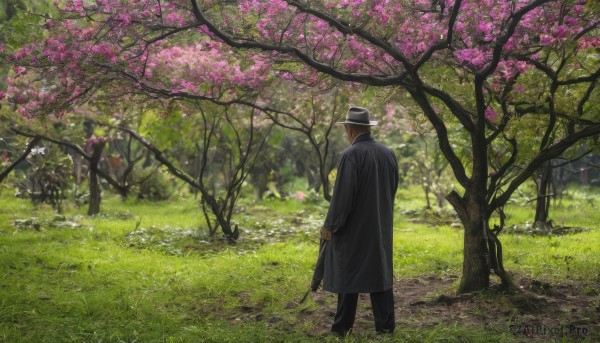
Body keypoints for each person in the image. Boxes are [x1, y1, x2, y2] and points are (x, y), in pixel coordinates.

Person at [320, 106, 399, 337]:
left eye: (346, 128)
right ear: (367, 128)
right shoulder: (388, 153)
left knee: (347, 274)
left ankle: (342, 327)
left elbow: (342, 198)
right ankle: (385, 327)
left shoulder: (350, 156)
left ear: (350, 129)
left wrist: (330, 225)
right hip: (379, 226)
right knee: (380, 274)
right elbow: (392, 189)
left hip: (353, 229)